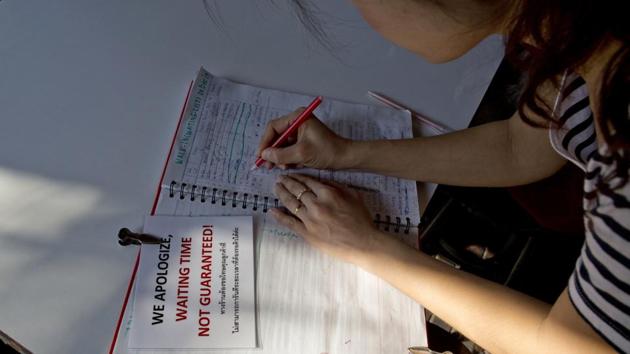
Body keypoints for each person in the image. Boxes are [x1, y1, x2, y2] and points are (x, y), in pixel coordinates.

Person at [256, 1, 628, 353]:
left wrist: (365, 245)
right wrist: (347, 154)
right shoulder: (572, 32)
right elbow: (518, 148)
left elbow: (561, 345)